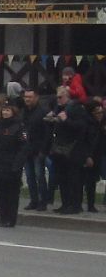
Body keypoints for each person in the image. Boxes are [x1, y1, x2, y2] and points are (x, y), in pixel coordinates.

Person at [47, 85, 88, 215]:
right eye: (57, 97)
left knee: (73, 179)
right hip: (60, 148)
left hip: (73, 149)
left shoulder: (76, 108)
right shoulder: (59, 108)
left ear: (67, 97)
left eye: (60, 97)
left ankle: (75, 205)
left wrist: (66, 120)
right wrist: (52, 119)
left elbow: (81, 127)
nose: (58, 99)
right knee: (62, 178)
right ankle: (65, 204)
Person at [0, 101, 26, 228]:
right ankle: (2, 217)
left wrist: (17, 164)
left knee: (12, 194)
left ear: (13, 112)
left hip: (12, 165)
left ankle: (11, 218)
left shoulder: (19, 127)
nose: (5, 112)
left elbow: (23, 148)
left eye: (8, 110)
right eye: (3, 110)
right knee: (1, 192)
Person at [20, 89, 51, 212]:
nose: (27, 99)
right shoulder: (24, 112)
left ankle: (43, 201)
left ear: (36, 97)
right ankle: (34, 200)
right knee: (29, 176)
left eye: (30, 97)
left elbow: (47, 133)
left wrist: (43, 150)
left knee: (40, 176)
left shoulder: (43, 111)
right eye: (26, 97)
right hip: (27, 149)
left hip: (38, 150)